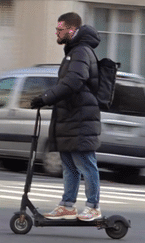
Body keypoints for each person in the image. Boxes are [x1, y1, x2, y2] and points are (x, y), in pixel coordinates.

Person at [30, 12, 102, 221]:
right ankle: (67, 205)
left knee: (85, 163)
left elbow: (73, 82)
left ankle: (93, 207)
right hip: (71, 117)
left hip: (80, 119)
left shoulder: (81, 52)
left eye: (59, 29)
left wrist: (46, 98)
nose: (56, 32)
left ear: (71, 30)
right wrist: (47, 98)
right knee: (69, 164)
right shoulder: (73, 52)